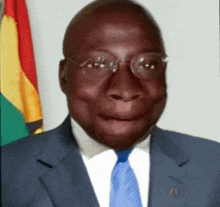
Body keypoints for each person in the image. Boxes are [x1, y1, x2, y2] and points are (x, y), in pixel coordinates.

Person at [2, 0, 220, 206]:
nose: (125, 90)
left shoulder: (213, 166)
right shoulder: (8, 172)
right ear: (64, 76)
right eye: (98, 64)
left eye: (147, 64)